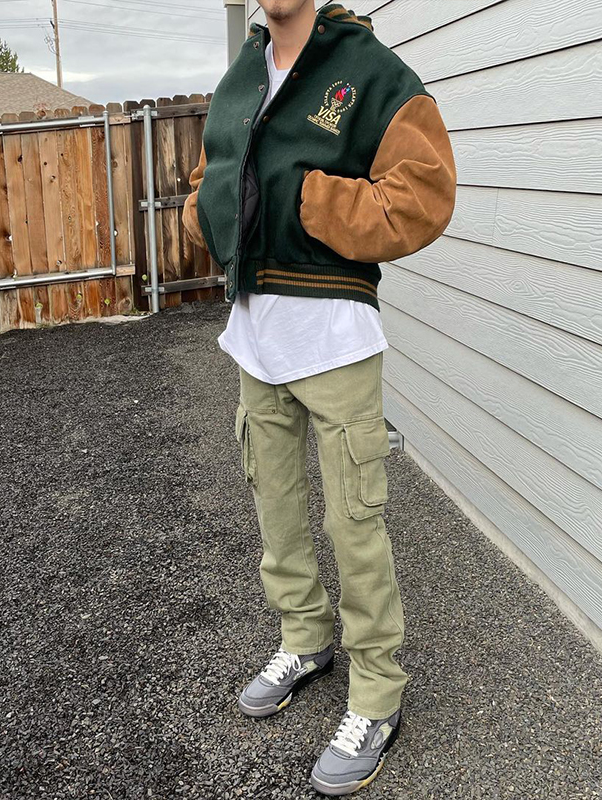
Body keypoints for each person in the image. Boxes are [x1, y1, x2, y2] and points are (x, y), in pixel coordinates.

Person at [182, 1, 456, 794]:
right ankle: (305, 637)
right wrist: (208, 213)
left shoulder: (370, 71)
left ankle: (377, 693)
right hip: (254, 335)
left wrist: (311, 203)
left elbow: (425, 192)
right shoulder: (243, 71)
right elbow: (212, 175)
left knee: (354, 523)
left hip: (334, 338)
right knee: (275, 507)